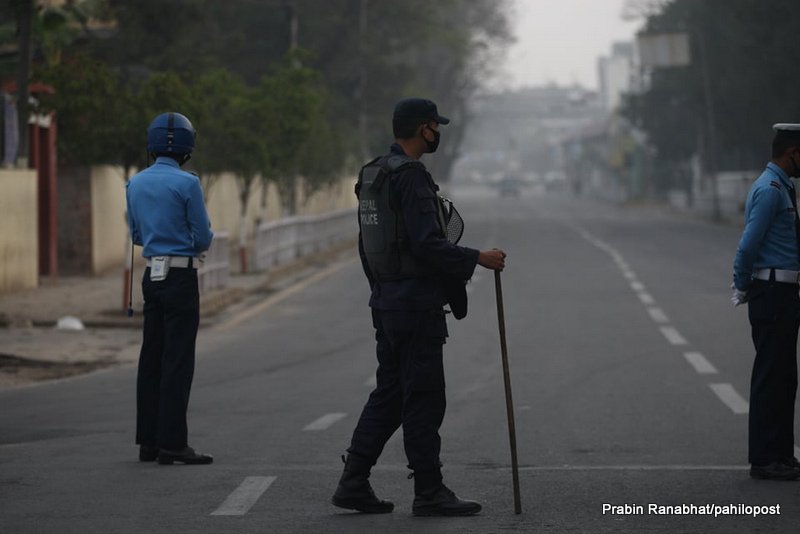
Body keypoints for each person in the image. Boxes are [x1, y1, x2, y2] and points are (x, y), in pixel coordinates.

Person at [332, 98, 507, 515]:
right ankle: (429, 490)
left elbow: (367, 246)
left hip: (387, 303)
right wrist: (478, 258)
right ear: (422, 128)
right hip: (415, 306)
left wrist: (381, 291)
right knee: (424, 398)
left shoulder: (374, 173)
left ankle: (353, 481)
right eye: (434, 126)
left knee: (391, 394)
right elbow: (428, 244)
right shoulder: (410, 177)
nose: (438, 133)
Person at [126, 112, 214, 465]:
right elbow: (203, 237)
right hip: (180, 276)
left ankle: (148, 442)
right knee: (177, 360)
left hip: (152, 275)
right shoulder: (188, 183)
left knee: (151, 357)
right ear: (187, 147)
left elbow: (136, 235)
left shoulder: (134, 183)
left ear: (151, 144)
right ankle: (173, 443)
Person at [732, 123, 800, 480]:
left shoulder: (783, 186)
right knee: (771, 377)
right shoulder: (770, 190)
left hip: (783, 293)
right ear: (792, 153)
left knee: (785, 378)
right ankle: (764, 459)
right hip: (771, 292)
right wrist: (742, 285)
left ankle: (782, 455)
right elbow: (748, 244)